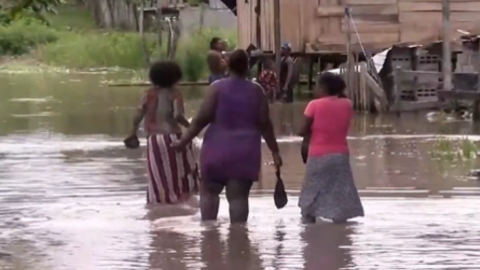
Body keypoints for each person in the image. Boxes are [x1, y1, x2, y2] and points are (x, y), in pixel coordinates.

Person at [172, 49, 283, 223]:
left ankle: (208, 239)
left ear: (227, 66)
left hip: (216, 150)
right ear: (247, 67)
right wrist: (275, 152)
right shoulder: (257, 91)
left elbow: (201, 119)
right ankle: (239, 241)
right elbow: (265, 125)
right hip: (245, 153)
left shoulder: (216, 88)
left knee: (209, 193)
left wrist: (182, 141)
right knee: (238, 198)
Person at [128, 61, 199, 205]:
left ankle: (159, 201)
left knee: (157, 173)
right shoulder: (175, 93)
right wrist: (192, 128)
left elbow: (138, 115)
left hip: (153, 140)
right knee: (181, 170)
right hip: (173, 136)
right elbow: (178, 115)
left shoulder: (148, 94)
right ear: (176, 77)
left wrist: (132, 132)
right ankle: (181, 200)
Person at [298, 72, 364, 224]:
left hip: (318, 156)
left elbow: (303, 130)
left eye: (317, 85)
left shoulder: (313, 105)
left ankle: (309, 228)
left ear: (324, 88)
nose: (315, 89)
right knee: (340, 194)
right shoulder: (347, 104)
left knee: (311, 194)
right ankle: (340, 232)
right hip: (340, 156)